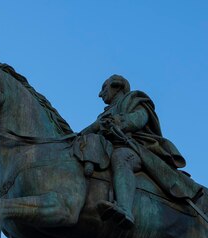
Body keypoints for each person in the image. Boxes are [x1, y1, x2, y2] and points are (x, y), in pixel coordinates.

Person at [81, 74, 191, 229]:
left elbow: (139, 119)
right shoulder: (104, 114)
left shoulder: (135, 100)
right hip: (107, 148)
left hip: (135, 148)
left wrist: (117, 123)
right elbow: (88, 131)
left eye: (104, 88)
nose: (100, 94)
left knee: (121, 158)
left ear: (117, 86)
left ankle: (125, 209)